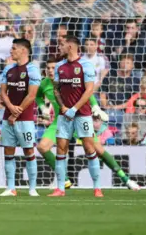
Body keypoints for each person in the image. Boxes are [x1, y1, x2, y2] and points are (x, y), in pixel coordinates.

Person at [48, 36, 102, 197]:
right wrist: (64, 107)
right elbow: (56, 89)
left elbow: (89, 90)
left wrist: (74, 108)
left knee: (89, 147)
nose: (60, 47)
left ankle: (97, 187)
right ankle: (60, 188)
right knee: (61, 148)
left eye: (62, 44)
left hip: (82, 114)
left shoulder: (86, 65)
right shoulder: (59, 66)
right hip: (64, 114)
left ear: (70, 46)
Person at [0, 39, 40, 197]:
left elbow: (32, 94)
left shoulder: (33, 69)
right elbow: (2, 92)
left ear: (23, 50)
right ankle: (11, 188)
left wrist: (16, 113)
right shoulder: (8, 69)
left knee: (29, 150)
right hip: (8, 117)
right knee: (8, 151)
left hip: (25, 118)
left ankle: (32, 188)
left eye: (14, 48)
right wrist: (11, 109)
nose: (11, 51)